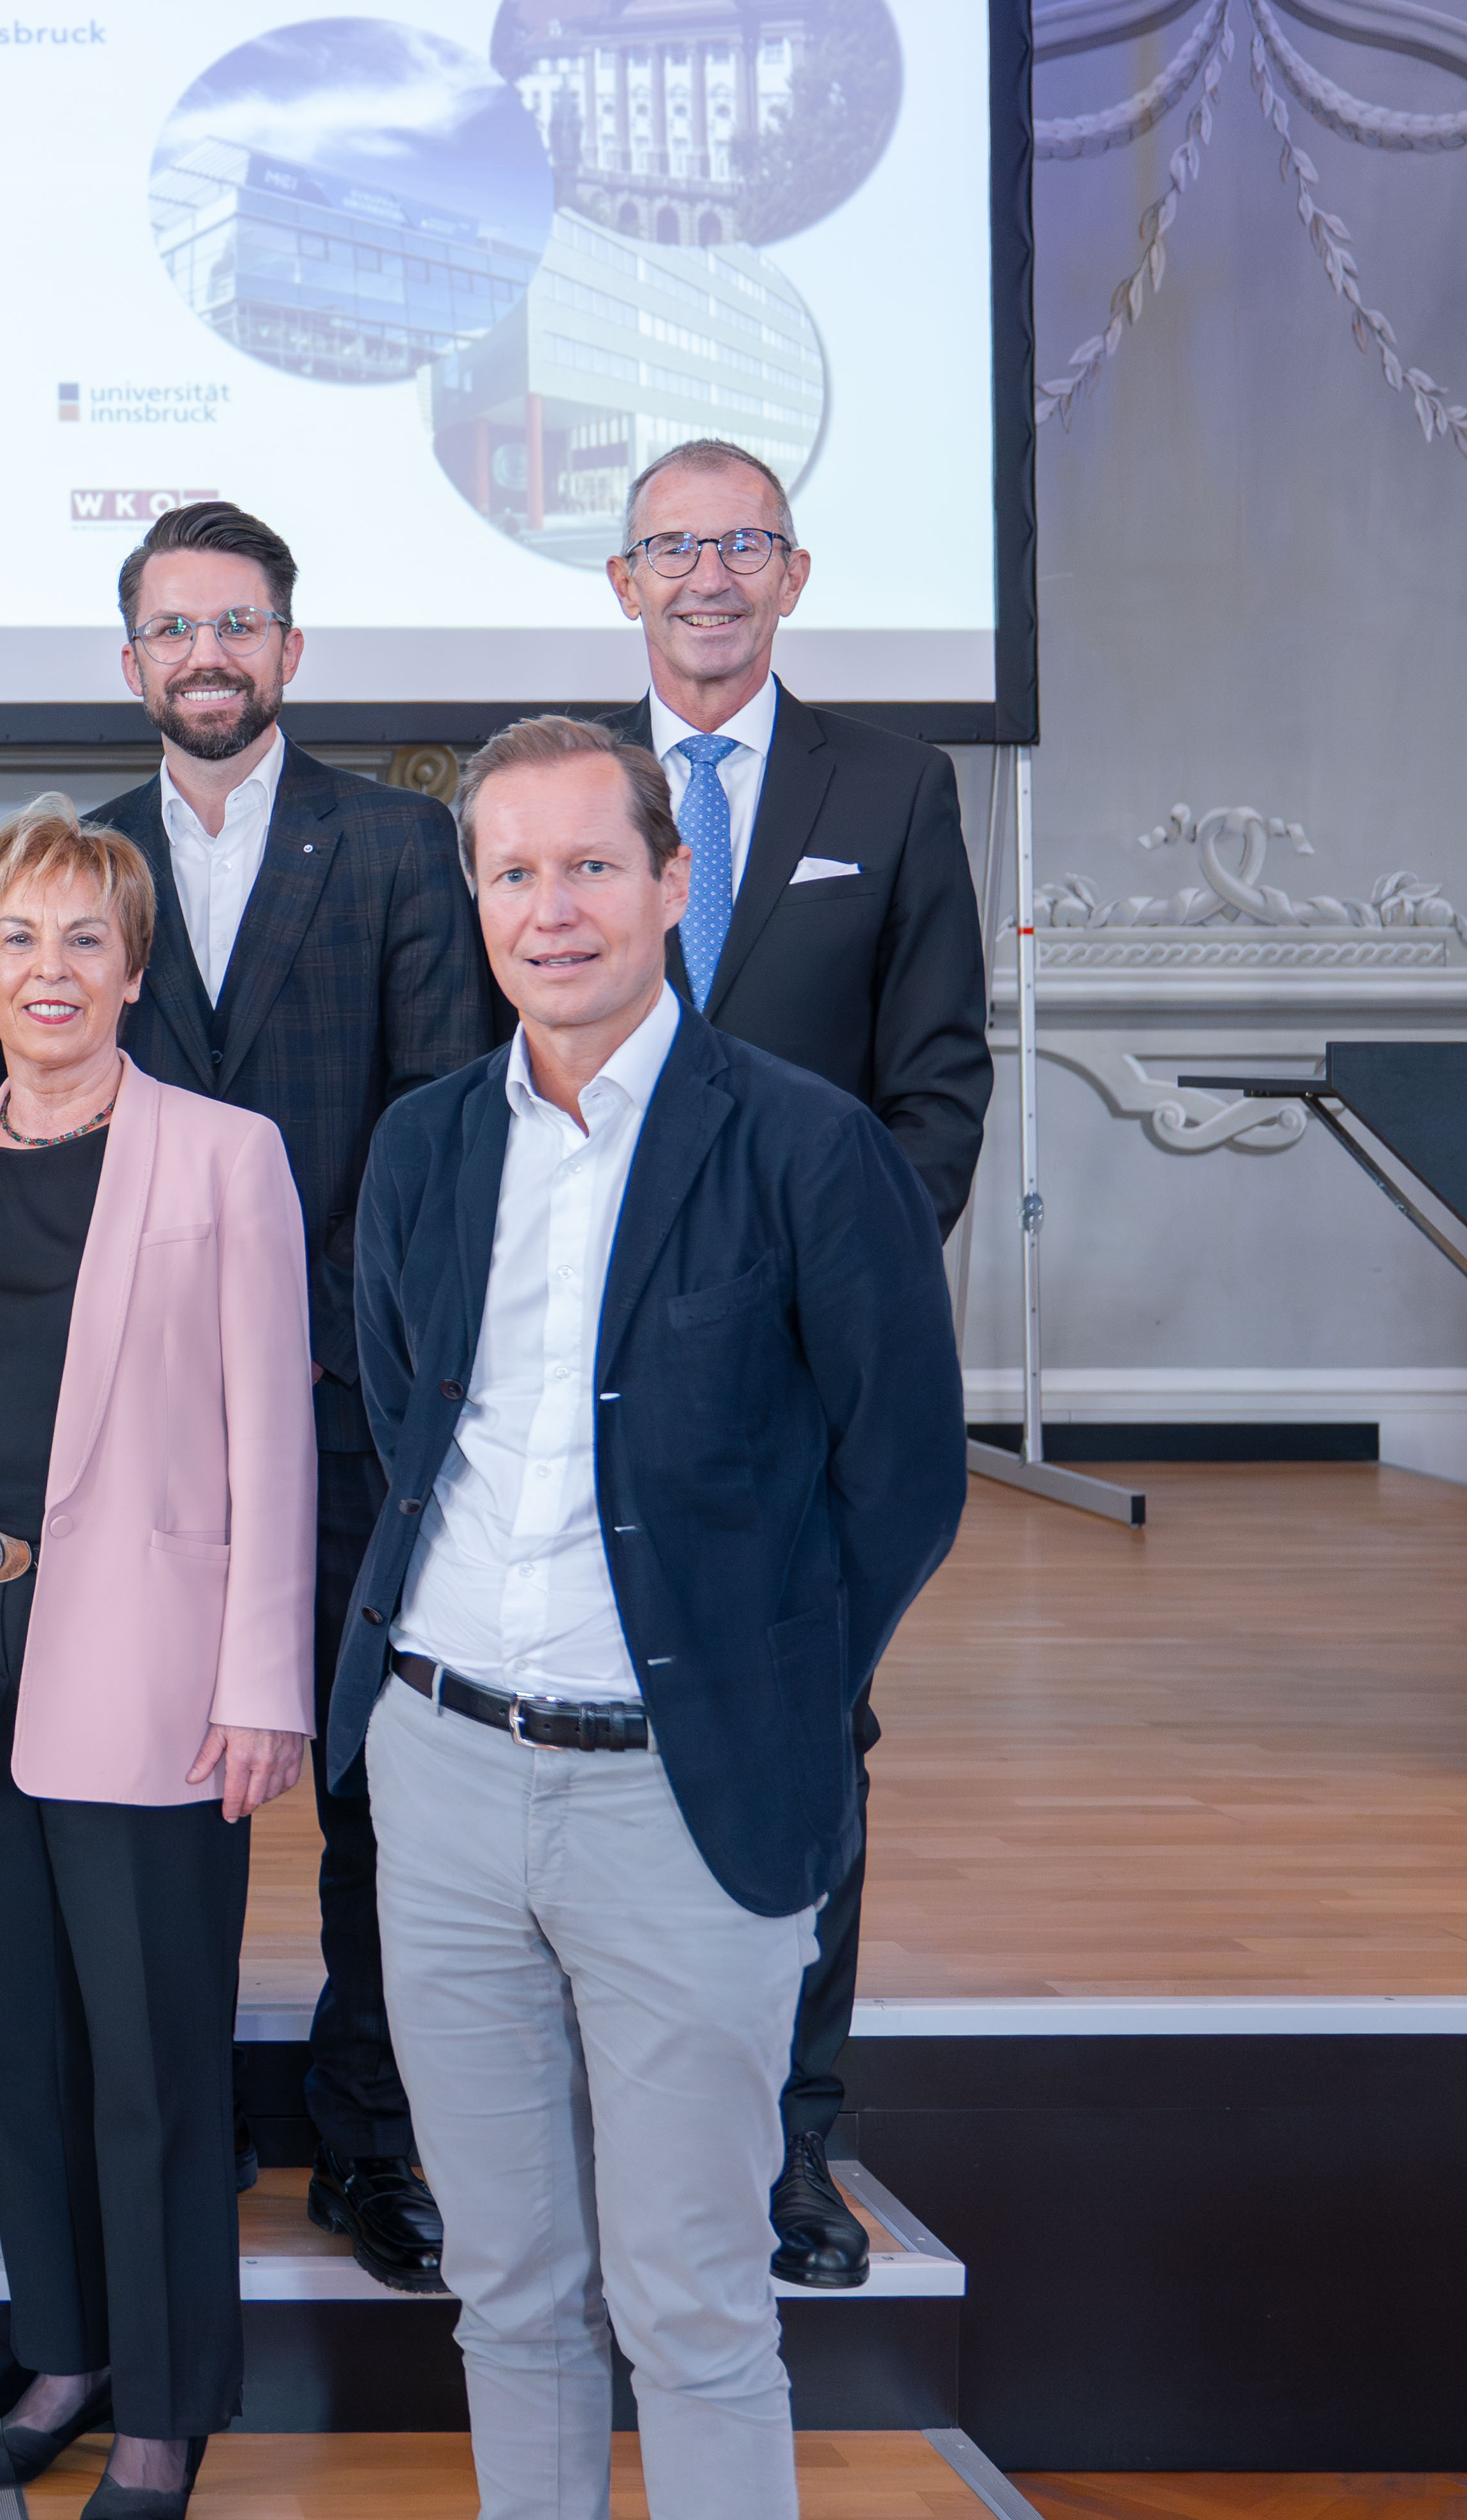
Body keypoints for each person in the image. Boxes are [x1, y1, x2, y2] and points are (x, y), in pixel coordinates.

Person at [335, 714, 964, 2520]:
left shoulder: (804, 1144)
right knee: (508, 2281)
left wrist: (760, 1686)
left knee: (689, 2295)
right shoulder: (424, 1143)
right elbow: (404, 1421)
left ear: (671, 881)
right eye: (512, 871)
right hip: (442, 1772)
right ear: (475, 899)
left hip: (681, 1799)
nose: (552, 908)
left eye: (590, 866)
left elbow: (901, 1479)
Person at [0, 800, 318, 2520]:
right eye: (19, 940)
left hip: (156, 1673)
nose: (51, 970)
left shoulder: (225, 1155)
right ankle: (63, 2355)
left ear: (131, 969)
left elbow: (275, 1429)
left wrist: (266, 1677)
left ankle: (166, 2406)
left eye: (84, 939)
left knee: (156, 2062)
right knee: (19, 2050)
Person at [593, 437, 993, 2291]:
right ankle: (605, 2122)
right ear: (622, 581)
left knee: (802, 1747)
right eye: (672, 547)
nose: (708, 576)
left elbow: (937, 1087)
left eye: (742, 543)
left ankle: (789, 2141)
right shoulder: (552, 784)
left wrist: (827, 1296)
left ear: (796, 573)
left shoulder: (891, 787)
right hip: (583, 1366)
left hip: (797, 1382)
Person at [90, 500, 490, 2297]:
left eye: (237, 624)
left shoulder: (401, 846)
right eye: (175, 627)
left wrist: (314, 1346)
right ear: (132, 663)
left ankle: (372, 2139)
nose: (208, 654)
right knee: (144, 1786)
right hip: (124, 1425)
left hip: (348, 1405)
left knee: (369, 1795)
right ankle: (164, 2129)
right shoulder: (79, 860)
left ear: (290, 650)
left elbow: (433, 1137)